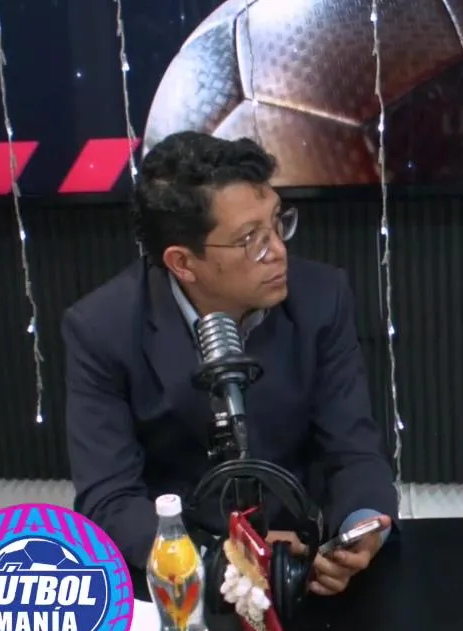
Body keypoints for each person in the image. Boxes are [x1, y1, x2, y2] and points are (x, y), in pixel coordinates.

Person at [62, 131, 398, 597]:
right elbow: (109, 500)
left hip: (304, 568)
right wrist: (226, 562)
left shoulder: (321, 297)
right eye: (249, 239)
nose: (277, 250)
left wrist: (361, 529)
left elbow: (354, 450)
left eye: (277, 223)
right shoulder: (104, 328)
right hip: (183, 584)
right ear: (183, 263)